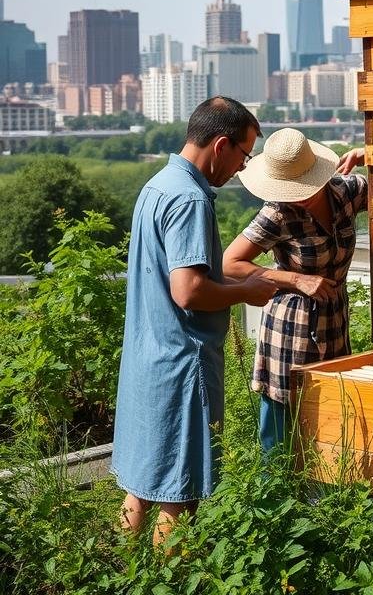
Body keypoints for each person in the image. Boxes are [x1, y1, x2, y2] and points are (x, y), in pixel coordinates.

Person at [111, 97, 279, 545]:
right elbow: (187, 290)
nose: (241, 168)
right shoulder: (190, 199)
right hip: (183, 365)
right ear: (221, 145)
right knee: (179, 496)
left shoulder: (158, 186)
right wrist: (247, 291)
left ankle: (126, 574)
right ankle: (169, 582)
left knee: (142, 488)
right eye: (243, 155)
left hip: (149, 359)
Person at [223, 128, 367, 455]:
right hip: (290, 331)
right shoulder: (277, 213)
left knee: (331, 429)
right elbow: (229, 263)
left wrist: (367, 153)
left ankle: (321, 504)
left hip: (334, 325)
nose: (297, 195)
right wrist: (296, 279)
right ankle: (272, 501)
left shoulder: (347, 192)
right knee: (279, 436)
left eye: (302, 186)